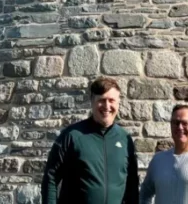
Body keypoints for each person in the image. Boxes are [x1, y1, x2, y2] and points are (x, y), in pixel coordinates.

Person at [41, 76, 139, 204]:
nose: (107, 106)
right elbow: (51, 179)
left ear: (118, 103)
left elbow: (132, 186)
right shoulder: (72, 136)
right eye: (101, 100)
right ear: (92, 101)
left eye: (111, 100)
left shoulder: (125, 139)